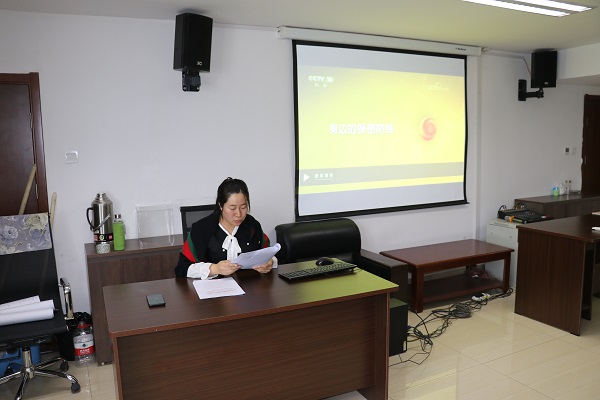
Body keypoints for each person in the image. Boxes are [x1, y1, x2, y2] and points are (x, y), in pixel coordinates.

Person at [175, 177, 275, 279]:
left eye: (243, 207)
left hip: (248, 285)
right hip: (213, 287)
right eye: (232, 208)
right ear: (220, 205)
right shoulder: (201, 229)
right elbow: (181, 269)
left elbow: (268, 252)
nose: (239, 214)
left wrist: (269, 262)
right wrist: (214, 268)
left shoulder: (252, 225)